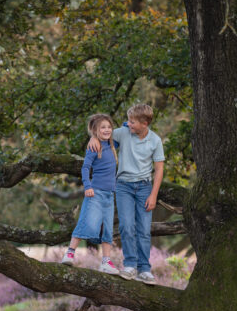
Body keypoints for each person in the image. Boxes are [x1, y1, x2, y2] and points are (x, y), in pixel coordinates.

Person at [88, 104, 164, 285]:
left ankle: (144, 270)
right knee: (127, 226)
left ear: (144, 123)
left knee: (144, 230)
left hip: (145, 188)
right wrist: (93, 138)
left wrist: (153, 195)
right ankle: (130, 266)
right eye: (128, 121)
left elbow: (159, 170)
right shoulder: (123, 133)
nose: (128, 124)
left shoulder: (155, 140)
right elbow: (103, 133)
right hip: (123, 187)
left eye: (132, 122)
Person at [61, 113, 120, 275]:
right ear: (95, 130)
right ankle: (70, 253)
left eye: (109, 127)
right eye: (103, 127)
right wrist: (87, 186)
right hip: (95, 193)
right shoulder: (95, 147)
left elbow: (127, 126)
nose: (107, 130)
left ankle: (106, 262)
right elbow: (85, 168)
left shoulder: (112, 144)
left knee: (108, 229)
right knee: (88, 222)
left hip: (109, 195)